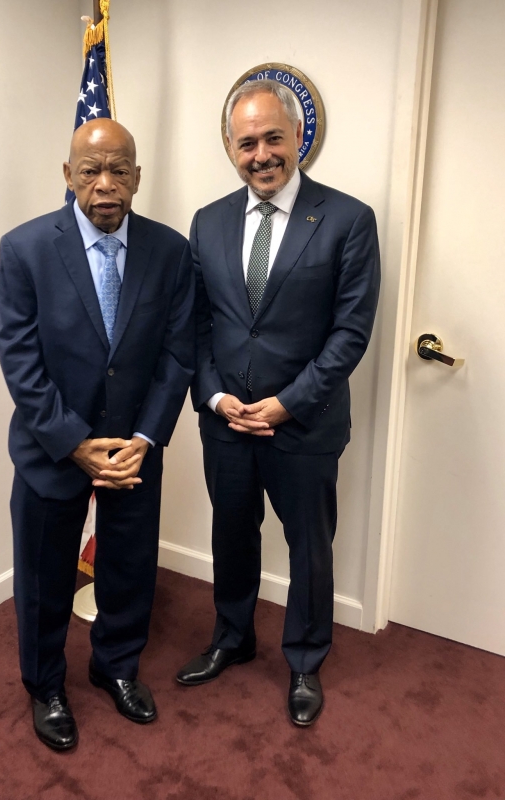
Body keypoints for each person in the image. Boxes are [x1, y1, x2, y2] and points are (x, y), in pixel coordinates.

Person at [176, 80, 380, 726]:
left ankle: (304, 659)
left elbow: (351, 332)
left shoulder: (348, 219)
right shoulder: (207, 222)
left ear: (298, 138)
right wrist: (213, 397)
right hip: (227, 423)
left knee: (309, 546)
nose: (260, 154)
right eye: (246, 143)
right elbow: (199, 324)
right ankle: (233, 638)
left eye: (272, 138)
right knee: (232, 535)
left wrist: (287, 404)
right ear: (230, 149)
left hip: (305, 425)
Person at [0, 118, 194, 750]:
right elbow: (19, 359)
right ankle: (45, 685)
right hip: (53, 450)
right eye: (90, 171)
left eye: (119, 170)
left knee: (130, 569)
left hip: (135, 448)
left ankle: (116, 666)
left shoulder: (170, 250)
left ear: (138, 176)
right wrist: (73, 442)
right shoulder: (24, 248)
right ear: (68, 175)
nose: (105, 185)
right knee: (44, 577)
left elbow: (178, 353)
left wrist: (147, 437)